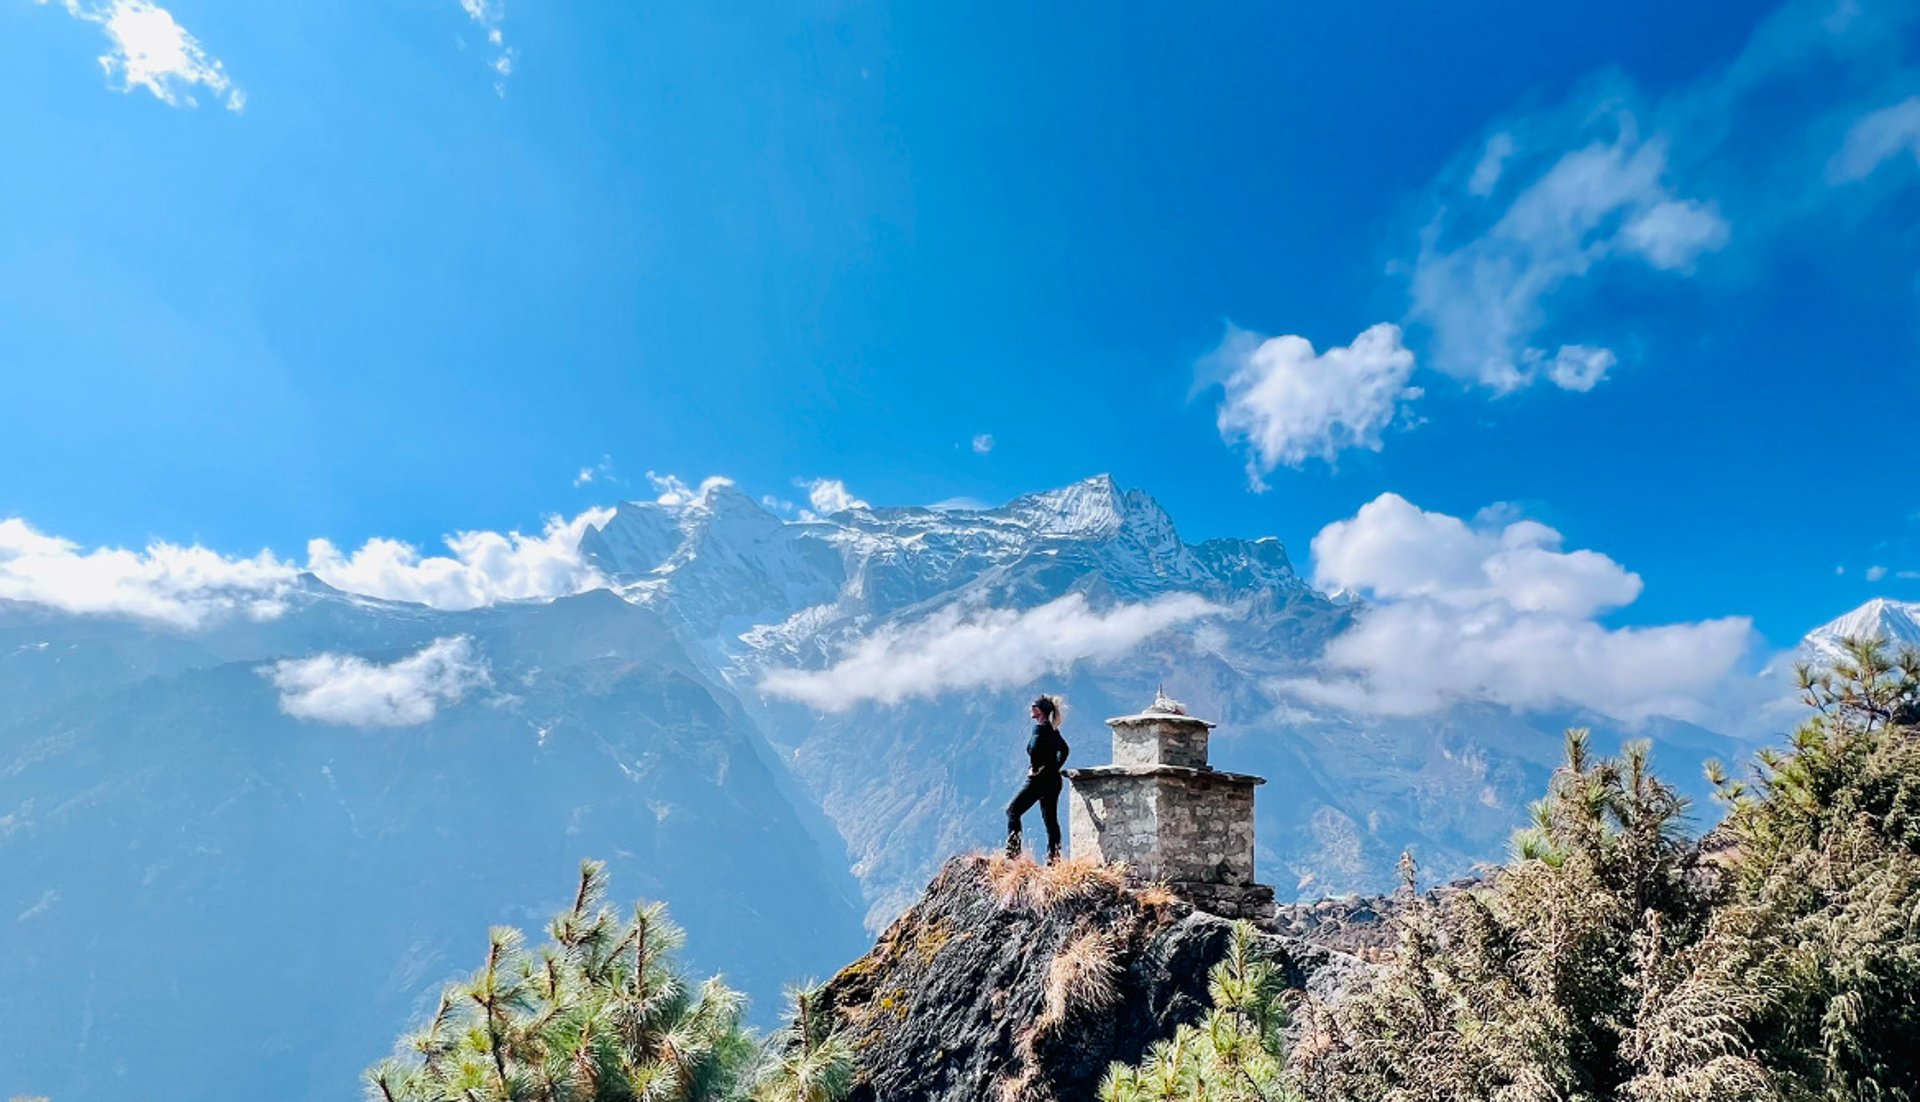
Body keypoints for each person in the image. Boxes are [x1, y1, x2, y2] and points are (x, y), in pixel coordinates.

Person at [1006, 694, 1070, 863]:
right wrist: (1054, 767)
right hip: (1054, 780)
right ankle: (1054, 859)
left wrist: (1035, 769)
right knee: (1051, 820)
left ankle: (1013, 853)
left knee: (1013, 811)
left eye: (1033, 706)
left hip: (1039, 780)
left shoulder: (1040, 729)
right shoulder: (1053, 729)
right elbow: (1065, 750)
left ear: (1039, 711)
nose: (1030, 709)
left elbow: (1034, 748)